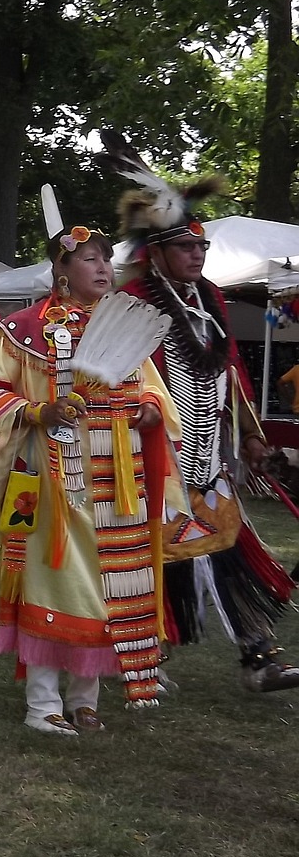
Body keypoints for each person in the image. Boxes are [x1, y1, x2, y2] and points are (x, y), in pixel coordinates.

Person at [103, 142, 299, 692]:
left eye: (202, 246)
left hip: (209, 460)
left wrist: (252, 440)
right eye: (186, 246)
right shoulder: (134, 300)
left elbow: (229, 372)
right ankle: (144, 658)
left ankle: (260, 659)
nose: (198, 254)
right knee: (155, 562)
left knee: (231, 552)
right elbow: (119, 376)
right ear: (157, 251)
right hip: (153, 462)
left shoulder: (209, 297)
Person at [0, 222, 179, 735]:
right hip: (50, 479)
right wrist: (38, 412)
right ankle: (43, 704)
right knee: (53, 580)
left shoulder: (127, 329)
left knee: (112, 586)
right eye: (88, 259)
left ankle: (87, 696)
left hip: (118, 480)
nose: (103, 267)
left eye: (107, 259)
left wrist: (152, 410)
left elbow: (154, 391)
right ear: (60, 269)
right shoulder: (22, 329)